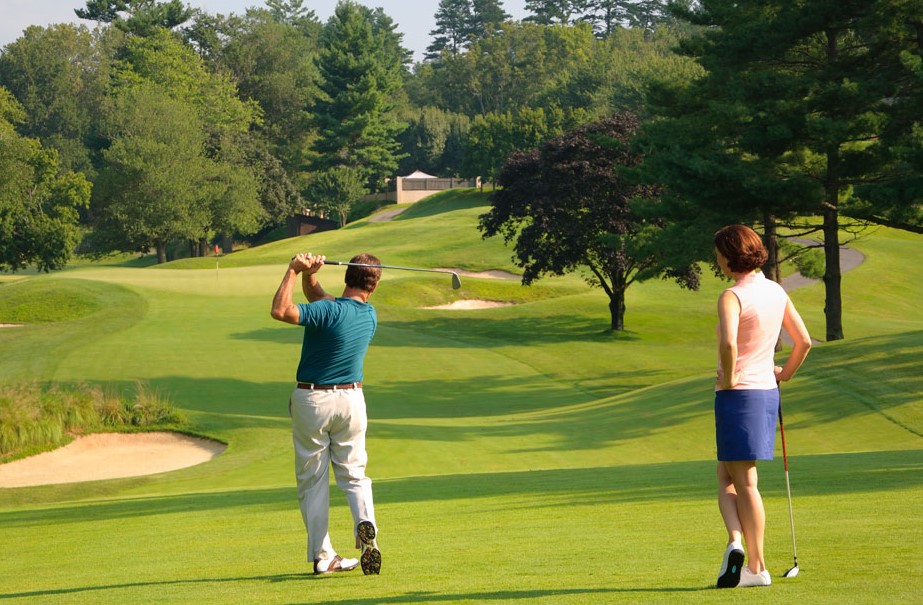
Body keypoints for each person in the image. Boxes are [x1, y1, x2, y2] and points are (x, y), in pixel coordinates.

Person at [270, 252, 383, 576]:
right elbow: (323, 300)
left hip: (313, 400)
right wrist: (311, 276)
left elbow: (281, 310)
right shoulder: (368, 315)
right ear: (372, 286)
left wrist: (294, 270)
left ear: (347, 277)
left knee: (313, 481)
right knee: (354, 475)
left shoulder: (328, 311)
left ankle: (324, 556)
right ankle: (365, 527)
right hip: (352, 401)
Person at [712, 225, 812, 589]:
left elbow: (729, 344)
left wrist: (728, 379)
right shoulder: (775, 290)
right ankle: (736, 544)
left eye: (719, 253)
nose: (717, 259)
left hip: (738, 394)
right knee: (728, 476)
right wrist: (783, 374)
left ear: (728, 255)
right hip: (766, 392)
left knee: (744, 482)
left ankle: (754, 564)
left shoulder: (731, 296)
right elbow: (803, 342)